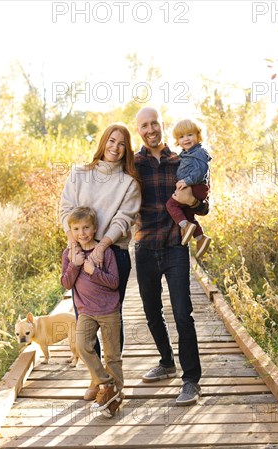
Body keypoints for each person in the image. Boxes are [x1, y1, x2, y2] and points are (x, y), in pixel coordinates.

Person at [59, 123, 141, 400]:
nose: (115, 148)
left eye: (122, 144)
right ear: (103, 141)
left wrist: (102, 245)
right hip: (79, 252)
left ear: (126, 150)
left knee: (110, 321)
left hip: (112, 253)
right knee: (84, 317)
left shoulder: (129, 183)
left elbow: (124, 219)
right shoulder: (80, 173)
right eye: (112, 141)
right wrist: (75, 245)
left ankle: (114, 382)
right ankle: (98, 379)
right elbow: (66, 210)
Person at [134, 107, 208, 406]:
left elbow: (203, 205)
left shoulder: (182, 158)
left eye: (155, 124)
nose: (150, 129)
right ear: (138, 130)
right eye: (144, 126)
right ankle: (166, 362)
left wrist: (194, 200)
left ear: (161, 126)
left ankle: (191, 380)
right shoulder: (133, 163)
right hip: (144, 246)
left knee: (182, 313)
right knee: (152, 313)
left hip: (176, 245)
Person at [60, 206, 124, 418]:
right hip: (86, 311)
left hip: (109, 310)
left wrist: (93, 272)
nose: (82, 233)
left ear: (94, 228)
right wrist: (75, 265)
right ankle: (106, 384)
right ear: (70, 230)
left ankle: (113, 401)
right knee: (82, 345)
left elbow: (114, 283)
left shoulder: (105, 252)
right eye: (76, 228)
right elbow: (66, 283)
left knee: (112, 355)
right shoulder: (69, 254)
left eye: (86, 227)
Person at [166, 118, 212, 258]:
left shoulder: (199, 152)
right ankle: (200, 238)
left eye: (190, 135)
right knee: (187, 213)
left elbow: (201, 170)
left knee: (171, 204)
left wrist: (187, 181)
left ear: (198, 135)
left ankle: (185, 226)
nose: (186, 139)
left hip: (196, 186)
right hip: (193, 187)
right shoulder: (185, 154)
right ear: (177, 140)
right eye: (181, 136)